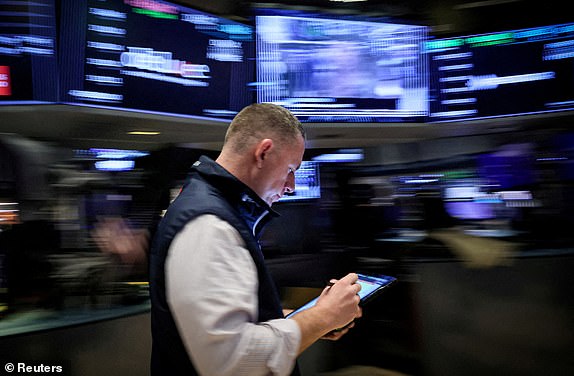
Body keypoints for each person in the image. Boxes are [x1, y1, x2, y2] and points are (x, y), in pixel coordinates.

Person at [149, 103, 362, 376]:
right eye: (290, 169)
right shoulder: (209, 225)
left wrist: (310, 319)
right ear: (263, 153)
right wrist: (323, 317)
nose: (292, 186)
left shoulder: (214, 209)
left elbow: (237, 323)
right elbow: (231, 361)